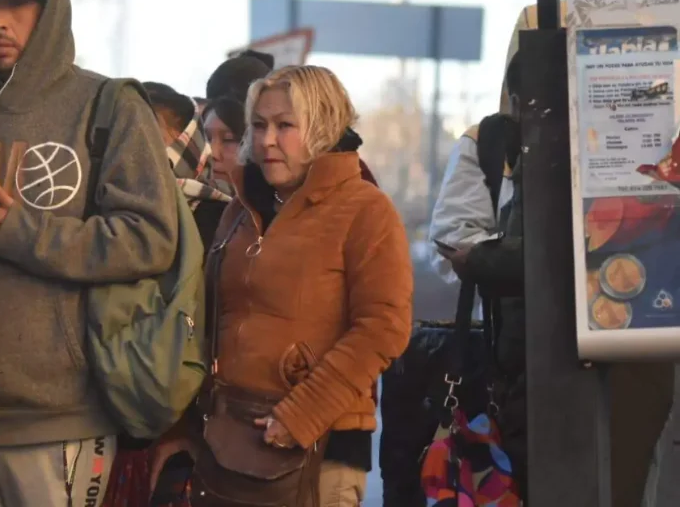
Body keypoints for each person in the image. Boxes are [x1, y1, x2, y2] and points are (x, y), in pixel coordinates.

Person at [0, 0, 180, 507]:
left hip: (62, 419)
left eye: (17, 4)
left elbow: (150, 239)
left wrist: (13, 233)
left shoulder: (108, 107)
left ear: (50, 9)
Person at [152, 65, 414, 507]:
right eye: (258, 125)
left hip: (322, 448)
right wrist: (184, 428)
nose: (267, 139)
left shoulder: (366, 210)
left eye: (285, 125)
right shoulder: (241, 207)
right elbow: (206, 320)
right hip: (227, 444)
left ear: (325, 127)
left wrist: (302, 414)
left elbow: (384, 326)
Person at [437, 55, 672, 506]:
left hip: (569, 363)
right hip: (554, 366)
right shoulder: (499, 145)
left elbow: (560, 256)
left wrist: (484, 261)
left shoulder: (586, 154)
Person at [144, 81, 232, 248]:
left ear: (190, 141)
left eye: (155, 139)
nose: (140, 149)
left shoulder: (223, 219)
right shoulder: (108, 205)